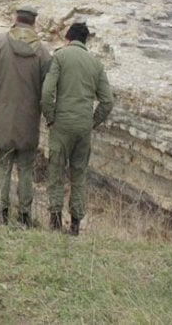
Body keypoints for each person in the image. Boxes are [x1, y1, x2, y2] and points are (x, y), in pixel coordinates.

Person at [40, 21, 114, 235]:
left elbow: (46, 93)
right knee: (78, 176)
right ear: (85, 41)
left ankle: (54, 221)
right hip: (83, 127)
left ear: (68, 38)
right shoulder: (95, 63)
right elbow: (107, 101)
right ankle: (75, 225)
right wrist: (91, 122)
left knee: (56, 173)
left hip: (61, 124)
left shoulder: (60, 57)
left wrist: (51, 117)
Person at [0, 6, 52, 227]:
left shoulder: (1, 44)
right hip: (29, 120)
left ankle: (1, 215)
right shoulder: (41, 51)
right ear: (33, 23)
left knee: (3, 167)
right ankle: (24, 216)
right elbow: (48, 88)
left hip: (4, 117)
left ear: (15, 19)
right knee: (25, 170)